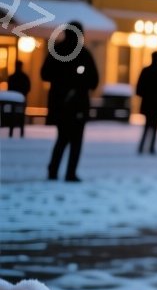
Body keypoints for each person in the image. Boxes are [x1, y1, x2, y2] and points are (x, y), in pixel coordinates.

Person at [43, 22, 99, 182]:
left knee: (62, 138)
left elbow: (45, 74)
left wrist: (60, 80)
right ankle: (70, 172)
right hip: (78, 105)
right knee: (75, 141)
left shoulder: (57, 51)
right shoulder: (83, 54)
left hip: (61, 104)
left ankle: (54, 169)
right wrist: (78, 82)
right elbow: (94, 80)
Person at [5, 61, 31, 137]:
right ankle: (21, 131)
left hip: (13, 100)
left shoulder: (11, 77)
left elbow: (9, 89)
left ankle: (11, 130)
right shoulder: (25, 77)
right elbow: (28, 88)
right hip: (22, 99)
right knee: (21, 114)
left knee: (12, 114)